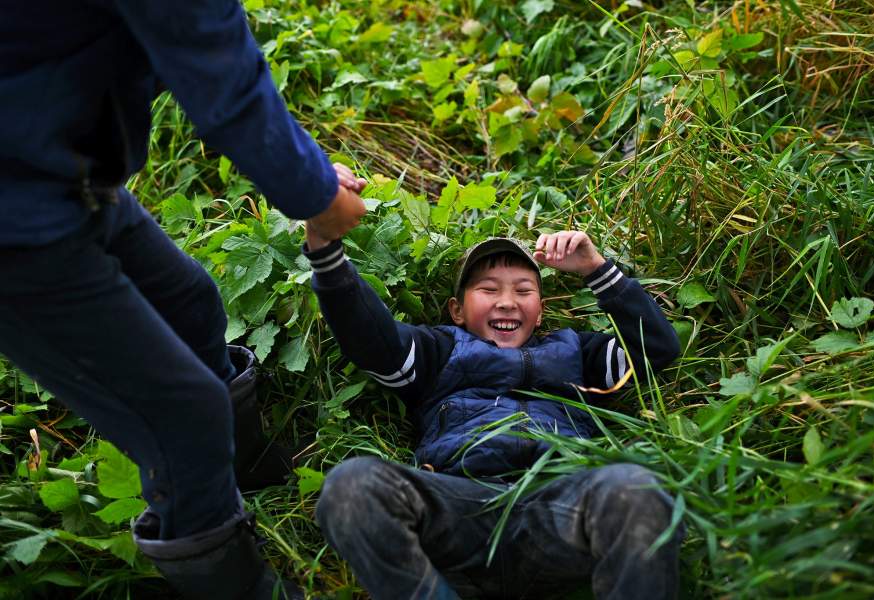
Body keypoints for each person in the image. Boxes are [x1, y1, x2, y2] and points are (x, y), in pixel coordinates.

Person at [0, 1, 366, 598]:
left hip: (62, 172)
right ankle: (231, 571)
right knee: (185, 416)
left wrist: (310, 174)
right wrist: (320, 197)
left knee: (190, 303)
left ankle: (243, 472)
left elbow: (194, 53)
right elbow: (227, 90)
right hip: (20, 227)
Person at [303, 229, 683, 599]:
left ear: (540, 313)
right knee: (351, 487)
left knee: (636, 488)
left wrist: (595, 267)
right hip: (462, 512)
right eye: (488, 289)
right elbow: (371, 337)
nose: (507, 302)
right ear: (457, 310)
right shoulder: (437, 350)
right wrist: (325, 249)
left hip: (560, 510)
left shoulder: (577, 353)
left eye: (523, 290)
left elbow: (657, 348)